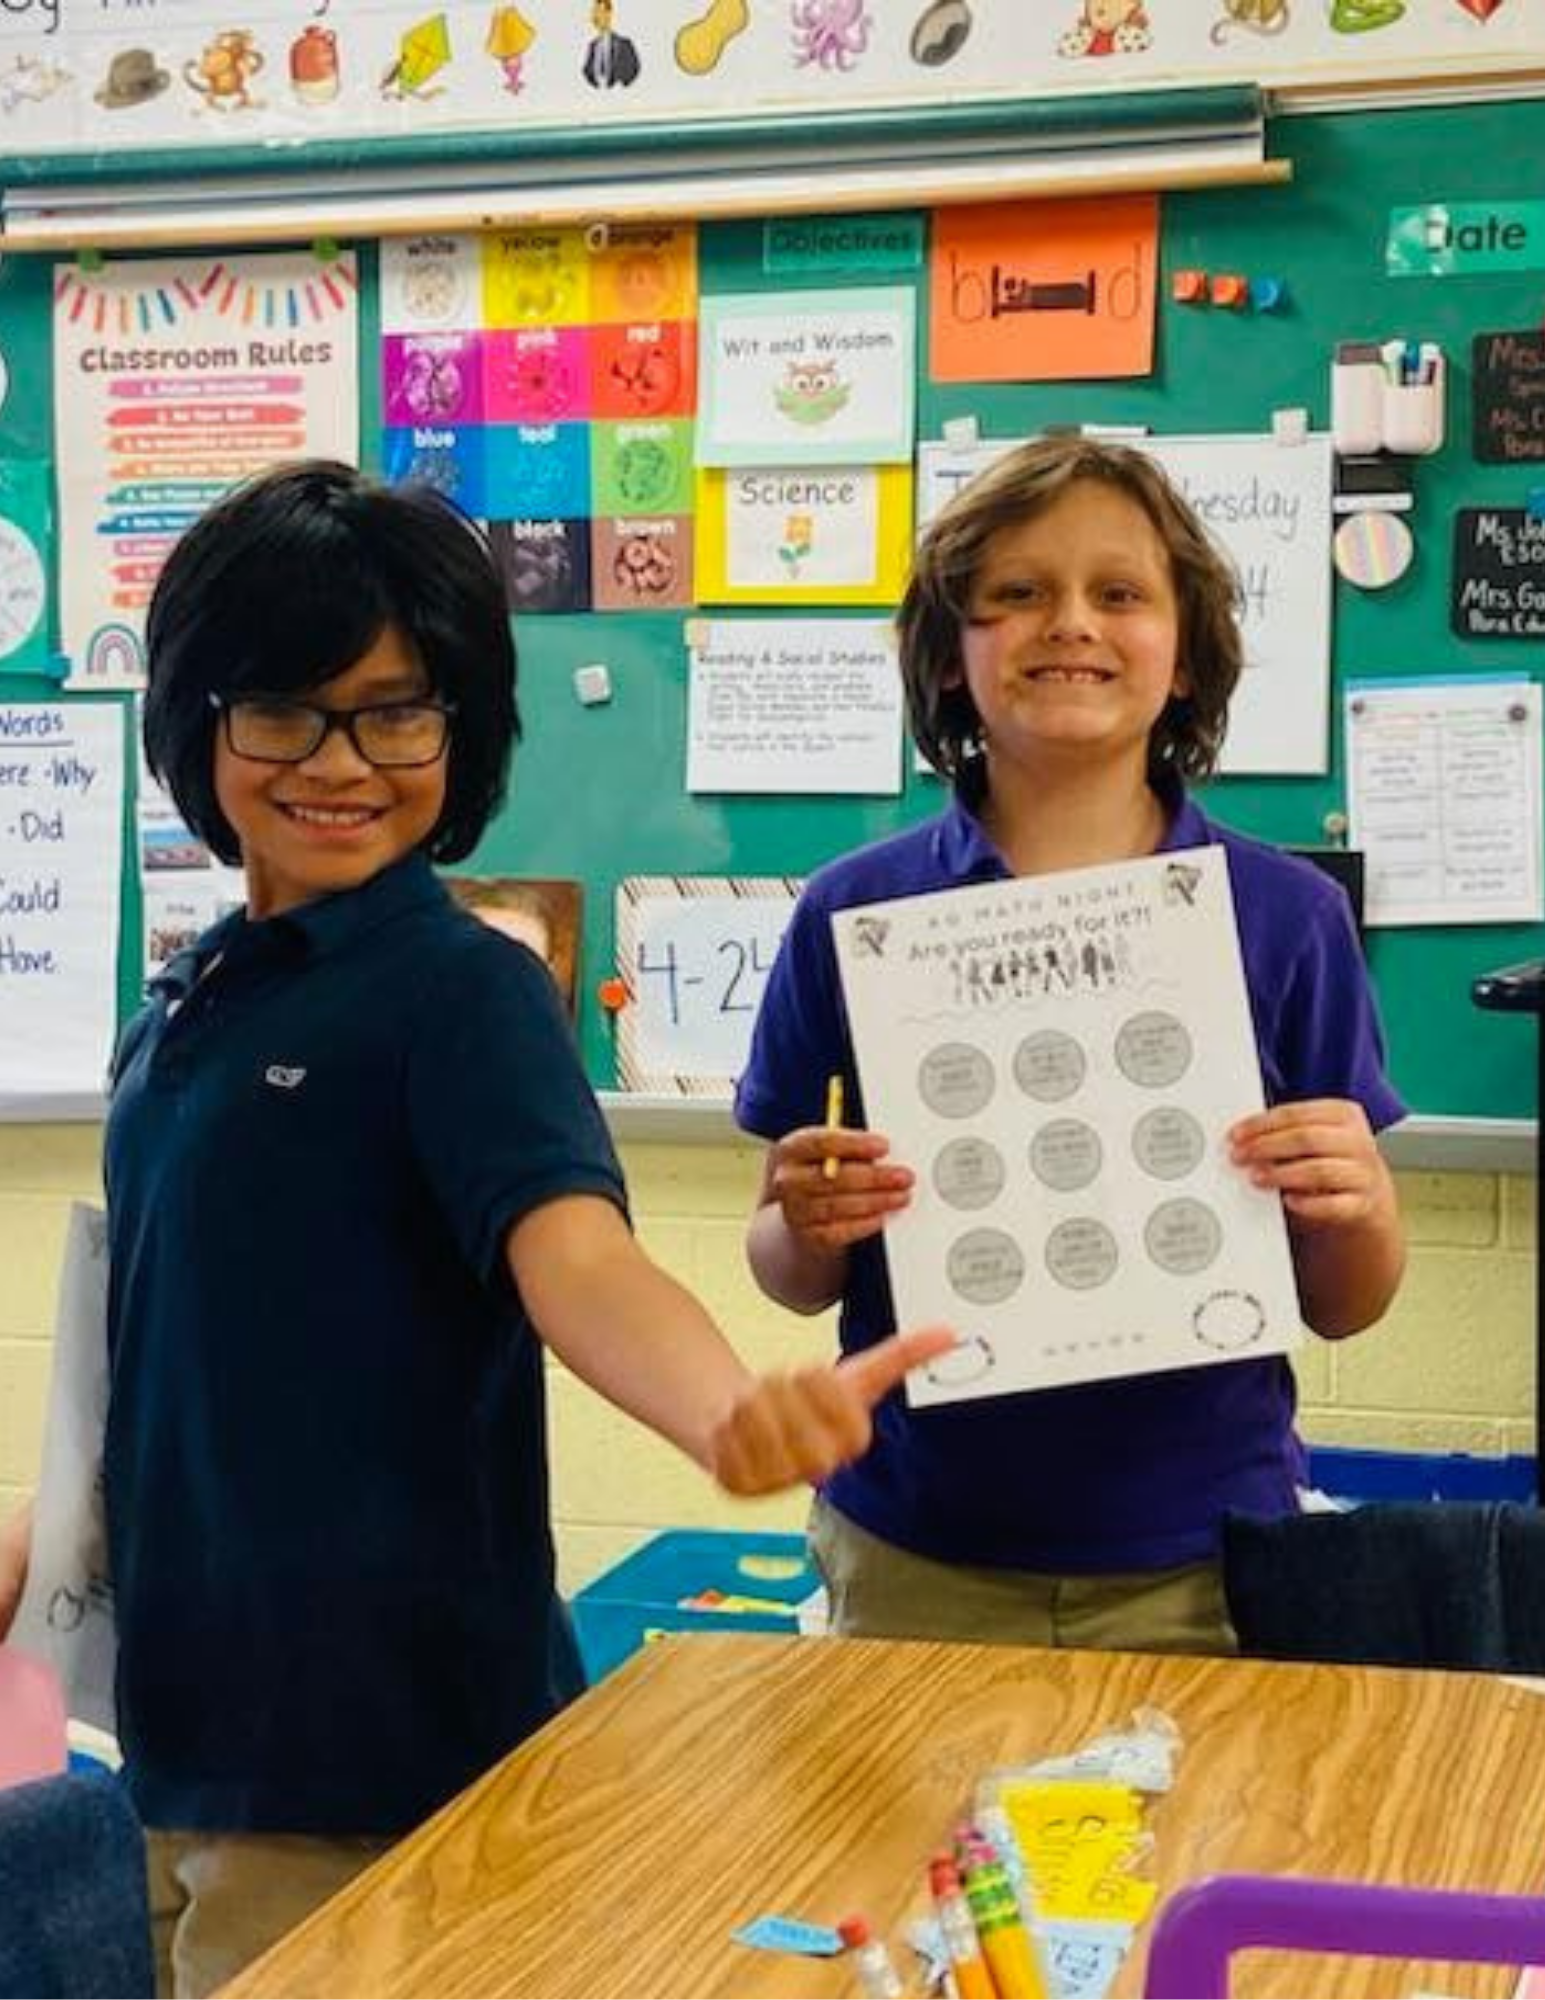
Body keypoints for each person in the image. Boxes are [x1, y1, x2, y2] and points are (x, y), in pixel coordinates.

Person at [0, 460, 948, 1999]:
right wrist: (45, 1540)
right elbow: (174, 1368)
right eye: (283, 710)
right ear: (197, 721)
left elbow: (575, 1259)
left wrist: (725, 1411)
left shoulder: (463, 993)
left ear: (462, 729)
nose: (341, 761)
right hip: (185, 1740)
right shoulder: (183, 1009)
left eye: (396, 710)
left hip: (384, 1761)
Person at [736, 435, 1406, 1657]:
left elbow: (1346, 1303)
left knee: (1193, 1852)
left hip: (1204, 1558)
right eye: (1016, 594)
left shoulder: (1285, 916)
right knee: (911, 1854)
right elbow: (790, 1271)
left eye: (1119, 592)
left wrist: (1355, 1204)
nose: (1069, 623)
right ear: (948, 658)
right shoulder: (854, 912)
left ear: (1189, 658)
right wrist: (803, 1219)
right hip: (915, 1548)